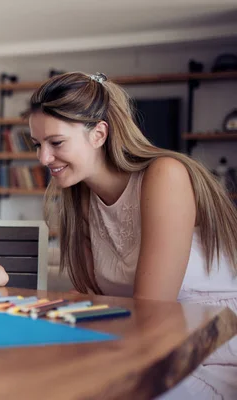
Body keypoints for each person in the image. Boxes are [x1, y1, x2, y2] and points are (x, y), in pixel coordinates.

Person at [24, 71, 237, 398]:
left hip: (212, 348)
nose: (43, 158)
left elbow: (149, 312)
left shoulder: (165, 175)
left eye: (56, 143)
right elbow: (89, 299)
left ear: (99, 134)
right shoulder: (79, 199)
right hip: (151, 344)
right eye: (38, 145)